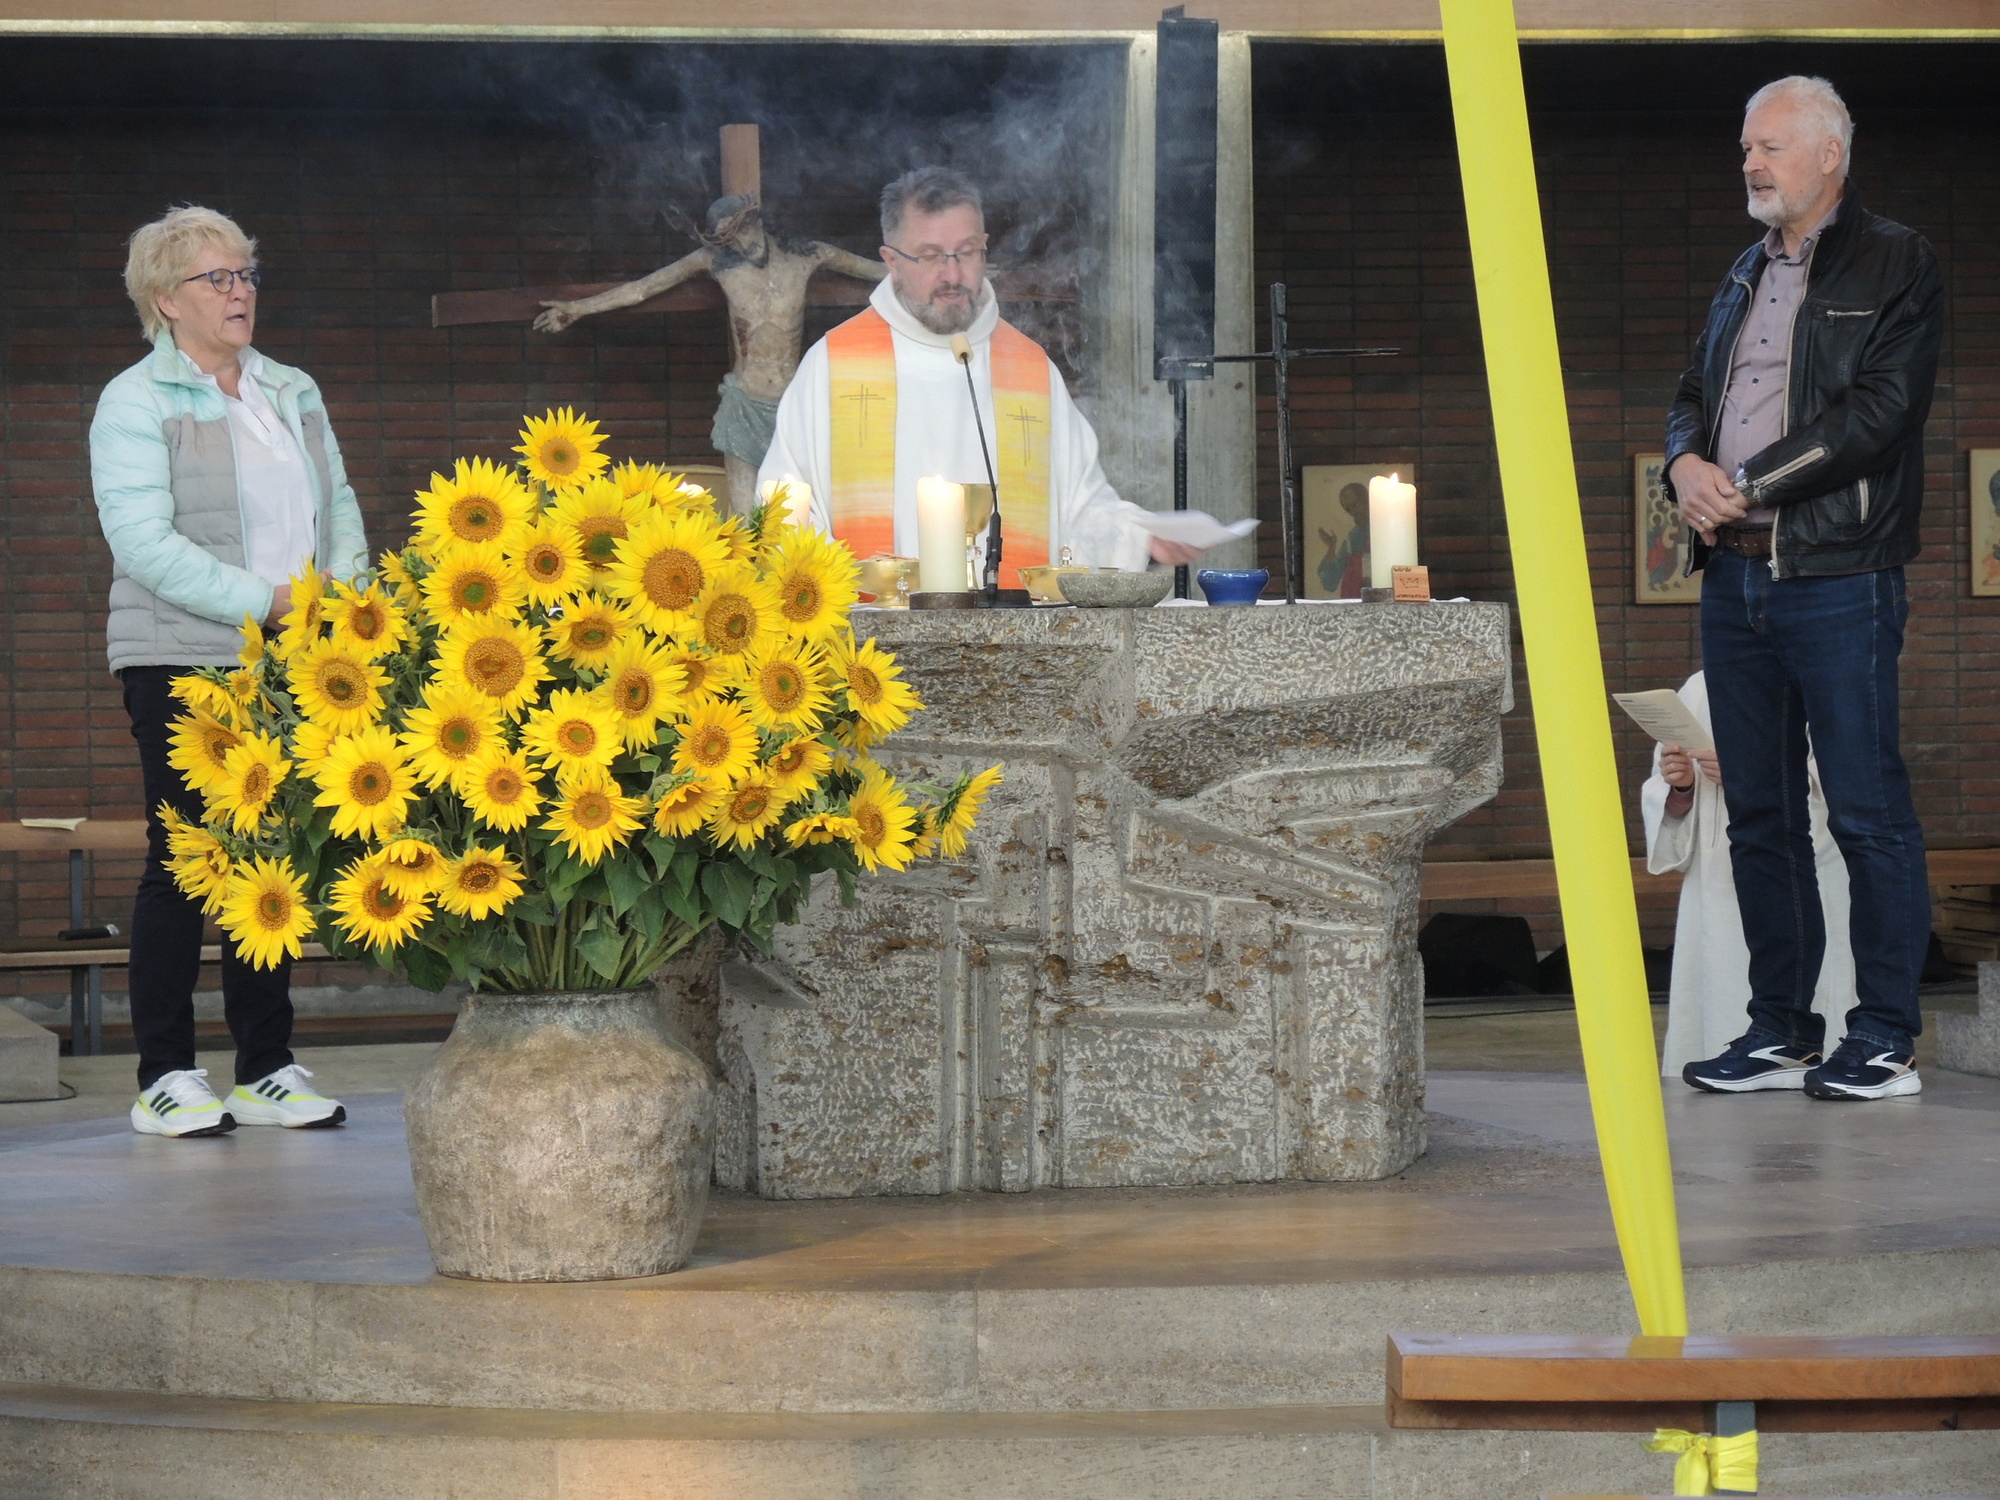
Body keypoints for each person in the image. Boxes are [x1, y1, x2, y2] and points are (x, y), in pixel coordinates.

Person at [1664, 76, 1942, 1100]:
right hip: (1734, 577)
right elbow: (1692, 393)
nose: (1750, 163)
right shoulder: (1742, 271)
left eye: (1769, 146)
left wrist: (1742, 483)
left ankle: (1884, 1038)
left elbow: (1880, 413)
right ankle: (1781, 1031)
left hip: (1839, 573)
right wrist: (1682, 466)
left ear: (1829, 154)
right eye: (1746, 147)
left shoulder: (1898, 260)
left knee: (1866, 813)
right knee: (1760, 817)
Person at [91, 206, 364, 1136]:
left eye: (246, 274)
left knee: (271, 861)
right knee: (186, 862)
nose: (240, 291)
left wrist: (345, 606)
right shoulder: (135, 401)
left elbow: (338, 507)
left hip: (293, 656)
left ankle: (266, 1069)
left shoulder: (291, 387)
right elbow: (142, 541)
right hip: (182, 654)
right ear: (166, 299)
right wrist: (268, 601)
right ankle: (165, 1075)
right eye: (218, 278)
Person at [758, 167, 1206, 578]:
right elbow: (786, 507)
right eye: (930, 256)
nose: (952, 274)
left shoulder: (1030, 369)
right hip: (873, 634)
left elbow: (1080, 507)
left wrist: (1137, 537)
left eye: (967, 252)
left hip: (1011, 633)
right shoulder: (833, 365)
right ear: (891, 261)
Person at [533, 195, 886, 514]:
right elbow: (642, 289)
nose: (738, 243)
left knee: (804, 512)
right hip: (744, 402)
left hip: (793, 403)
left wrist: (918, 266)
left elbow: (880, 270)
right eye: (727, 238)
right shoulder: (717, 263)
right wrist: (578, 308)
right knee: (745, 516)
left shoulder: (807, 254)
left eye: (739, 231)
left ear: (755, 220)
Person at [1640, 672, 1856, 1079]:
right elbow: (1665, 784)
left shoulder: (1817, 676)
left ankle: (1802, 1061)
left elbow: (1844, 783)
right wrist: (1680, 786)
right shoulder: (1701, 687)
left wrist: (1753, 776)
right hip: (1716, 878)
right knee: (1720, 988)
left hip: (1797, 869)